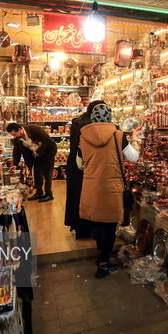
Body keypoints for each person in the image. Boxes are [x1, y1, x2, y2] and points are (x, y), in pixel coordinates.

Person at [76, 104, 139, 278]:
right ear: (110, 117)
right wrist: (134, 140)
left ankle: (100, 258)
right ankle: (104, 264)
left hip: (92, 187)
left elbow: (80, 165)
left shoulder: (83, 137)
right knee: (110, 228)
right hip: (111, 187)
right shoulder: (119, 136)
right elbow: (134, 157)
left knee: (98, 225)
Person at [64, 100, 106, 239]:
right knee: (86, 197)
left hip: (74, 162)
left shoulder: (78, 121)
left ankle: (77, 225)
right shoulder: (91, 124)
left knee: (76, 195)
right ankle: (85, 230)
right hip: (85, 163)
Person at [7, 123, 57, 203]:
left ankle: (49, 194)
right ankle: (39, 192)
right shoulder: (17, 139)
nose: (15, 136)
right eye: (13, 135)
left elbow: (48, 141)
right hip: (35, 154)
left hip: (48, 151)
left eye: (15, 134)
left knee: (48, 173)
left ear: (20, 130)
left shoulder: (34, 129)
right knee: (37, 172)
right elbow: (16, 151)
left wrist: (39, 151)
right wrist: (15, 164)